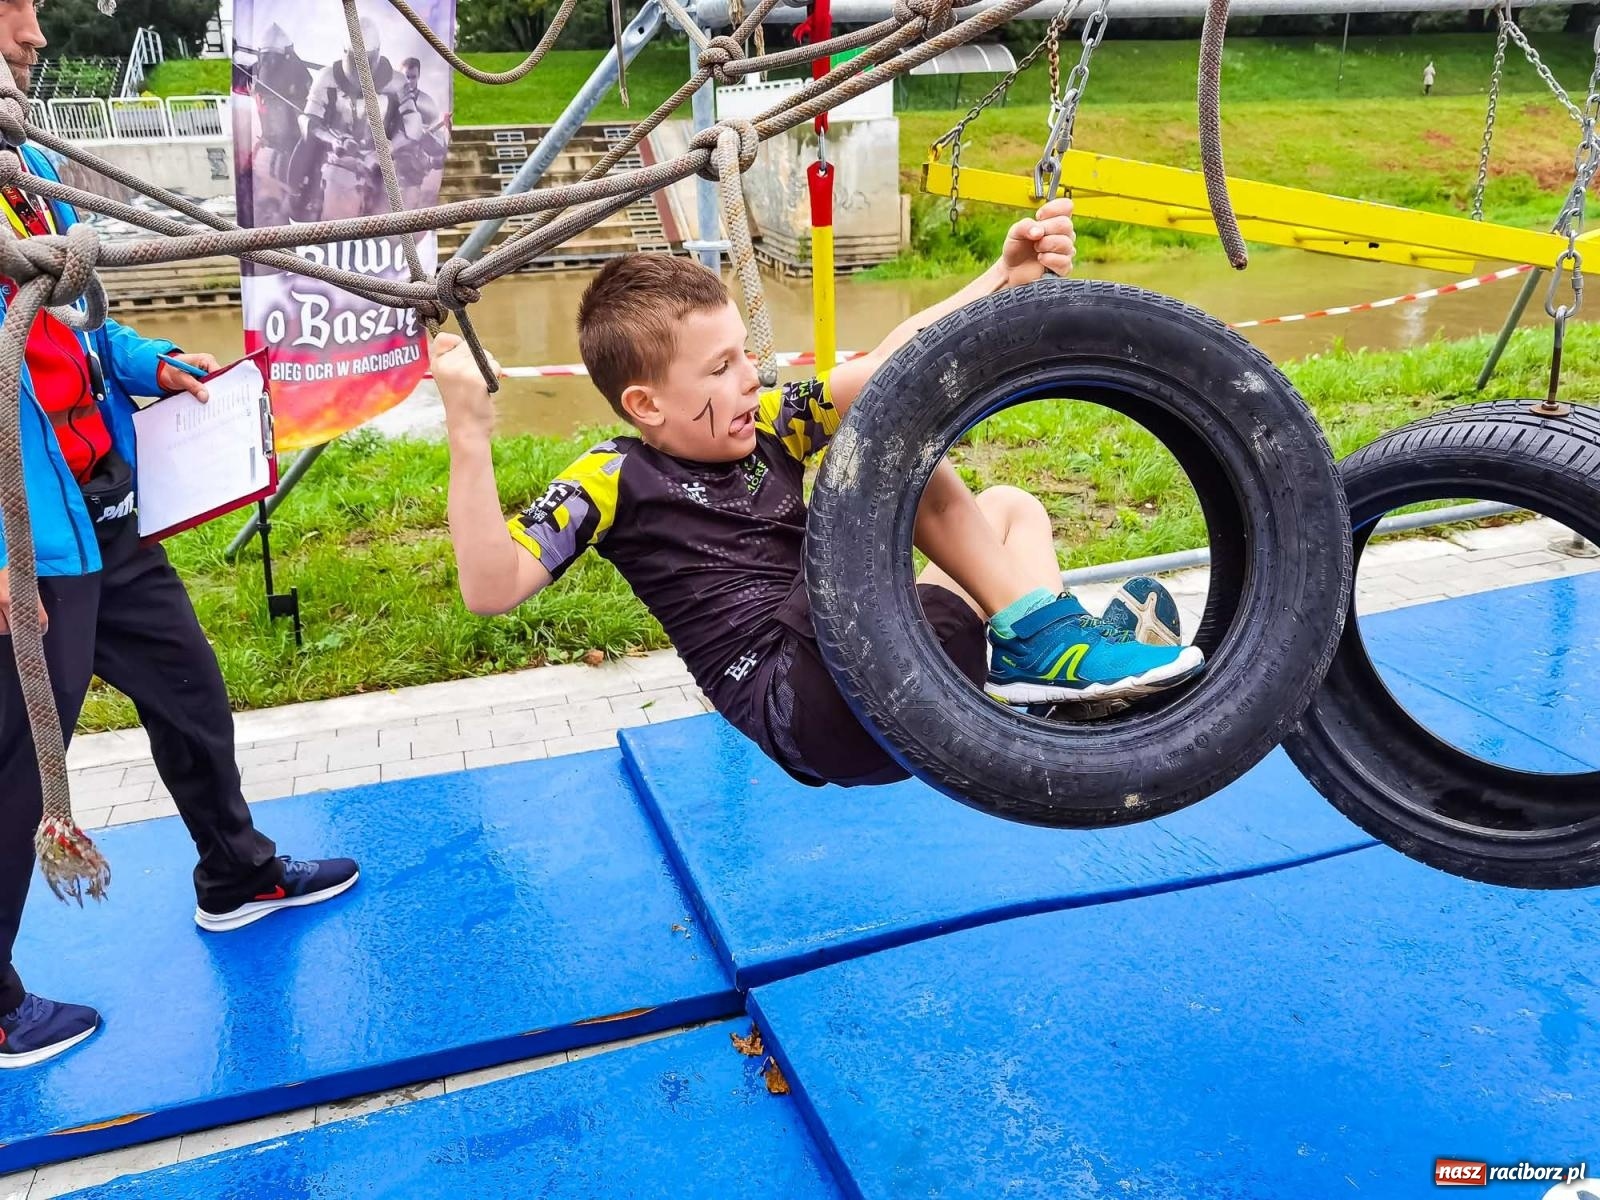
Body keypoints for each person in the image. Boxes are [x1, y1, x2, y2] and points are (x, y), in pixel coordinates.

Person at [433, 199, 1205, 789]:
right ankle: (1046, 643)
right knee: (891, 440)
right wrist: (467, 433)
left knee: (1011, 508)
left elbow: (887, 365)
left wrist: (1002, 279)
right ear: (646, 405)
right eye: (720, 368)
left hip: (893, 680)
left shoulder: (766, 425)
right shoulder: (613, 477)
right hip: (804, 698)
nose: (749, 378)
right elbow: (491, 587)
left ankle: (1050, 659)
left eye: (744, 355)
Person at [0, 2, 358, 1070]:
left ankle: (236, 874)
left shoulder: (23, 166)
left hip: (99, 508)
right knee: (18, 764)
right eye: (14, 6)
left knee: (190, 690)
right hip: (26, 538)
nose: (34, 33)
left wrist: (148, 361)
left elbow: (75, 322)